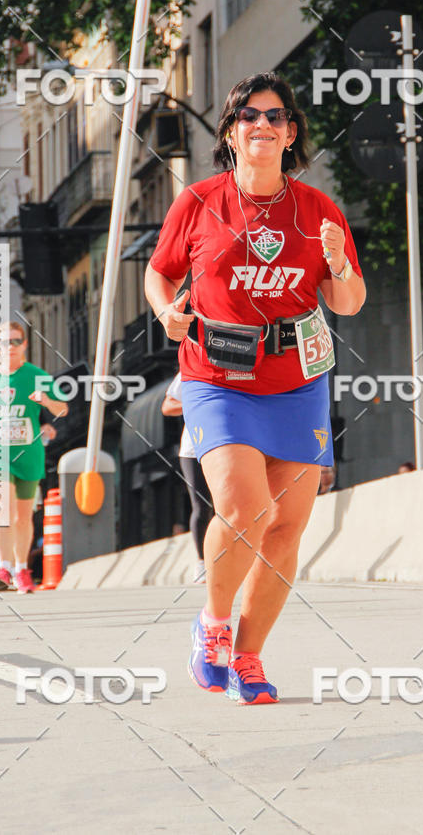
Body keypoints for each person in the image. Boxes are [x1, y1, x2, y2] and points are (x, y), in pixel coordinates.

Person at [145, 72, 365, 704]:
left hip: (297, 382)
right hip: (218, 378)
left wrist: (341, 262)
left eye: (276, 117)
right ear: (231, 134)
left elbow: (347, 303)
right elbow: (159, 276)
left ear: (291, 133)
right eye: (249, 116)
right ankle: (212, 626)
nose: (263, 125)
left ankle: (248, 656)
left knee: (287, 528)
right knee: (247, 509)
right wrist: (167, 313)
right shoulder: (199, 201)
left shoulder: (319, 210)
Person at [0, 321, 68, 594]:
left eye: (14, 341)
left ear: (24, 344)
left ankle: (22, 569)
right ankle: (3, 566)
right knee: (3, 509)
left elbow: (62, 410)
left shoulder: (37, 375)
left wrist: (46, 401)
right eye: (3, 342)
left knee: (23, 517)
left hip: (28, 452)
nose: (9, 347)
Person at [161, 371, 213, 584]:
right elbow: (167, 406)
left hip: (228, 445)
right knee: (202, 507)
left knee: (229, 506)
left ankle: (229, 559)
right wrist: (197, 402)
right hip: (194, 449)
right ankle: (202, 562)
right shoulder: (190, 370)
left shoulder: (238, 365)